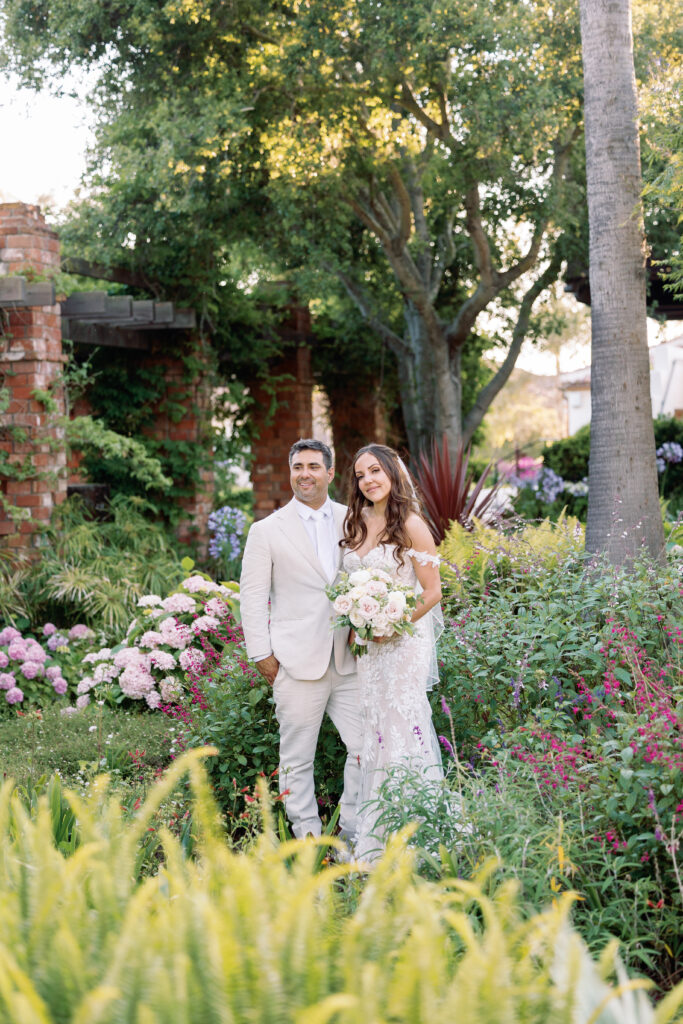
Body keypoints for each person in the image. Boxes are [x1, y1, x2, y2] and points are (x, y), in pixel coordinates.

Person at [240, 438, 362, 842]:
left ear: (330, 473)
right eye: (297, 467)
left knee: (367, 748)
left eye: (312, 466)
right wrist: (263, 656)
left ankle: (350, 829)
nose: (304, 474)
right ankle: (308, 836)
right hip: (294, 662)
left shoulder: (355, 520)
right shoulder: (266, 531)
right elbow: (253, 597)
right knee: (296, 758)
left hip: (350, 660)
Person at [341, 443, 444, 862]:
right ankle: (378, 832)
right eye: (361, 474)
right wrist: (361, 624)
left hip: (404, 644)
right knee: (375, 729)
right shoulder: (357, 522)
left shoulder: (414, 525)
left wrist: (392, 625)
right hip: (369, 647)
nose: (368, 480)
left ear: (392, 474)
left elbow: (433, 592)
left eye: (375, 472)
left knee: (403, 724)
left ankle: (417, 832)